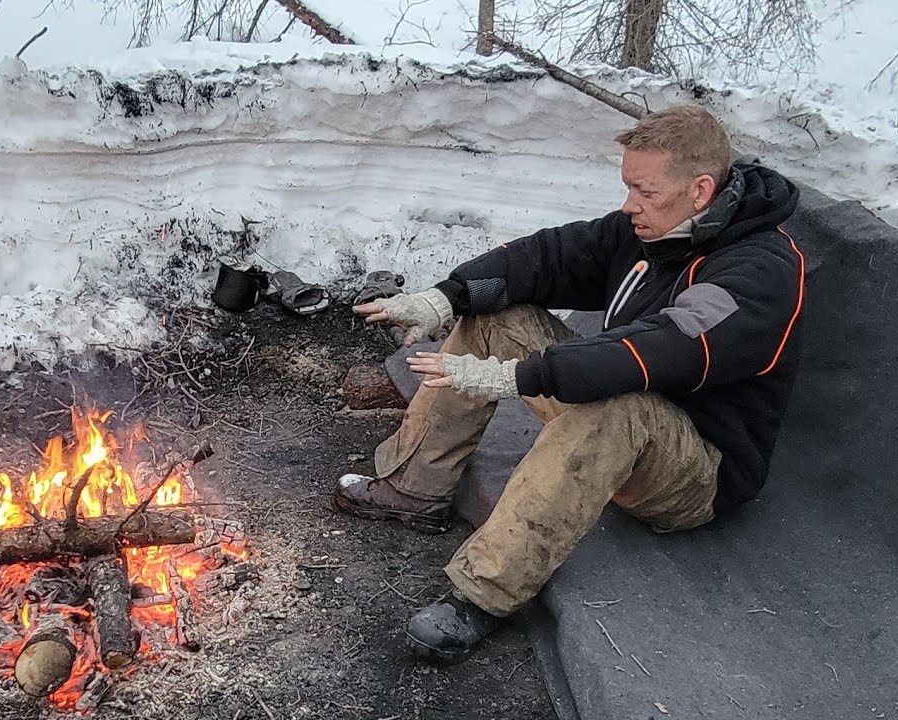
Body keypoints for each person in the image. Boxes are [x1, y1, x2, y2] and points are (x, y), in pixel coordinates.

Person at [334, 104, 806, 663]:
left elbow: (662, 349)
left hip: (697, 469)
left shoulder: (761, 272)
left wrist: (520, 375)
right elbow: (548, 256)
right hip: (626, 412)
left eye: (645, 191)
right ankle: (414, 489)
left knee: (615, 403)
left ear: (700, 190)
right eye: (627, 187)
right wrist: (446, 296)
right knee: (497, 312)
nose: (628, 205)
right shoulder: (656, 229)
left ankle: (484, 593)